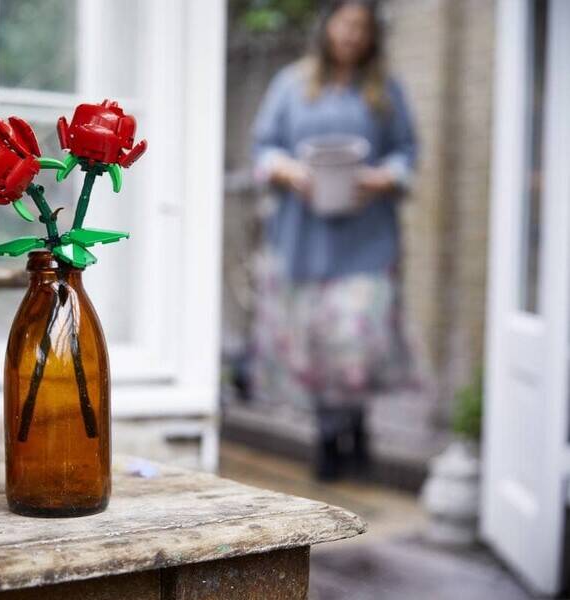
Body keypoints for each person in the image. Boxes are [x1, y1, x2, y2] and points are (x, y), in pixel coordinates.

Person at [250, 0, 418, 480]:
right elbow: (263, 148)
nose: (352, 35)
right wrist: (288, 171)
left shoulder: (385, 90)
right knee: (317, 342)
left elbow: (407, 152)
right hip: (304, 239)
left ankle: (356, 426)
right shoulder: (290, 84)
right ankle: (329, 436)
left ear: (372, 36)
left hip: (366, 241)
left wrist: (381, 179)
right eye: (346, 24)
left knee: (356, 339)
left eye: (362, 27)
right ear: (328, 27)